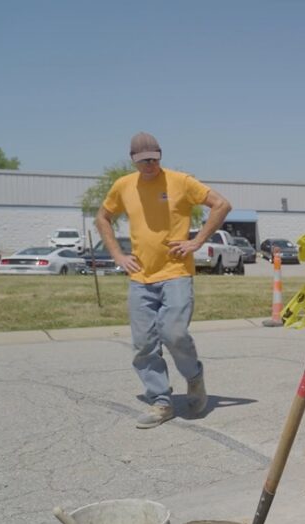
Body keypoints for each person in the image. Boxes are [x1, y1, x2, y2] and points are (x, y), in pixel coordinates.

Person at [95, 132, 232, 429]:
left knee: (174, 333)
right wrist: (118, 255)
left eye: (154, 159)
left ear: (160, 155)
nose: (149, 165)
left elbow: (221, 204)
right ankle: (161, 401)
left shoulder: (180, 181)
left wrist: (196, 241)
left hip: (176, 273)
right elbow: (102, 217)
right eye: (143, 161)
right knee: (144, 344)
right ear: (133, 160)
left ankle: (194, 377)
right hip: (140, 277)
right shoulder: (123, 186)